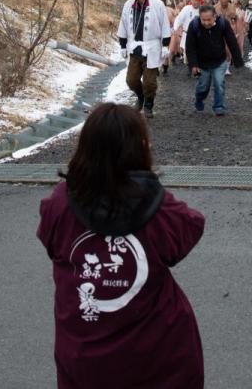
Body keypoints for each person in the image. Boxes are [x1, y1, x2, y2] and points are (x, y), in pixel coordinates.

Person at [37, 103, 205, 389]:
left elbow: (52, 244)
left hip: (82, 355)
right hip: (159, 354)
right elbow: (191, 227)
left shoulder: (58, 204)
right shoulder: (160, 208)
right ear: (140, 146)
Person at [117, 0, 170, 118]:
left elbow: (165, 26)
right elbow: (122, 25)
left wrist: (165, 45)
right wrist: (122, 45)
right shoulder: (128, 4)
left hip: (152, 48)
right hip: (134, 47)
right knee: (131, 80)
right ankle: (141, 97)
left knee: (149, 82)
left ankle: (148, 104)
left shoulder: (157, 5)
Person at [185, 5, 245, 116]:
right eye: (203, 20)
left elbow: (231, 41)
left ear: (215, 17)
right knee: (203, 86)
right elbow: (190, 47)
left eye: (209, 20)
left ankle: (218, 106)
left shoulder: (223, 24)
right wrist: (193, 65)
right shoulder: (194, 25)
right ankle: (199, 99)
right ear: (200, 17)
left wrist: (237, 59)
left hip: (219, 60)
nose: (206, 23)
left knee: (219, 83)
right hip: (202, 62)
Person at [170, 0, 202, 73]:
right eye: (194, 0)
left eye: (197, 1)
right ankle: (190, 67)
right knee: (187, 53)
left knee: (197, 53)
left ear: (200, 1)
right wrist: (175, 28)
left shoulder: (202, 10)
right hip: (187, 34)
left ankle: (195, 69)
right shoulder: (186, 9)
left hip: (199, 35)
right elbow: (179, 18)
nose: (195, 2)